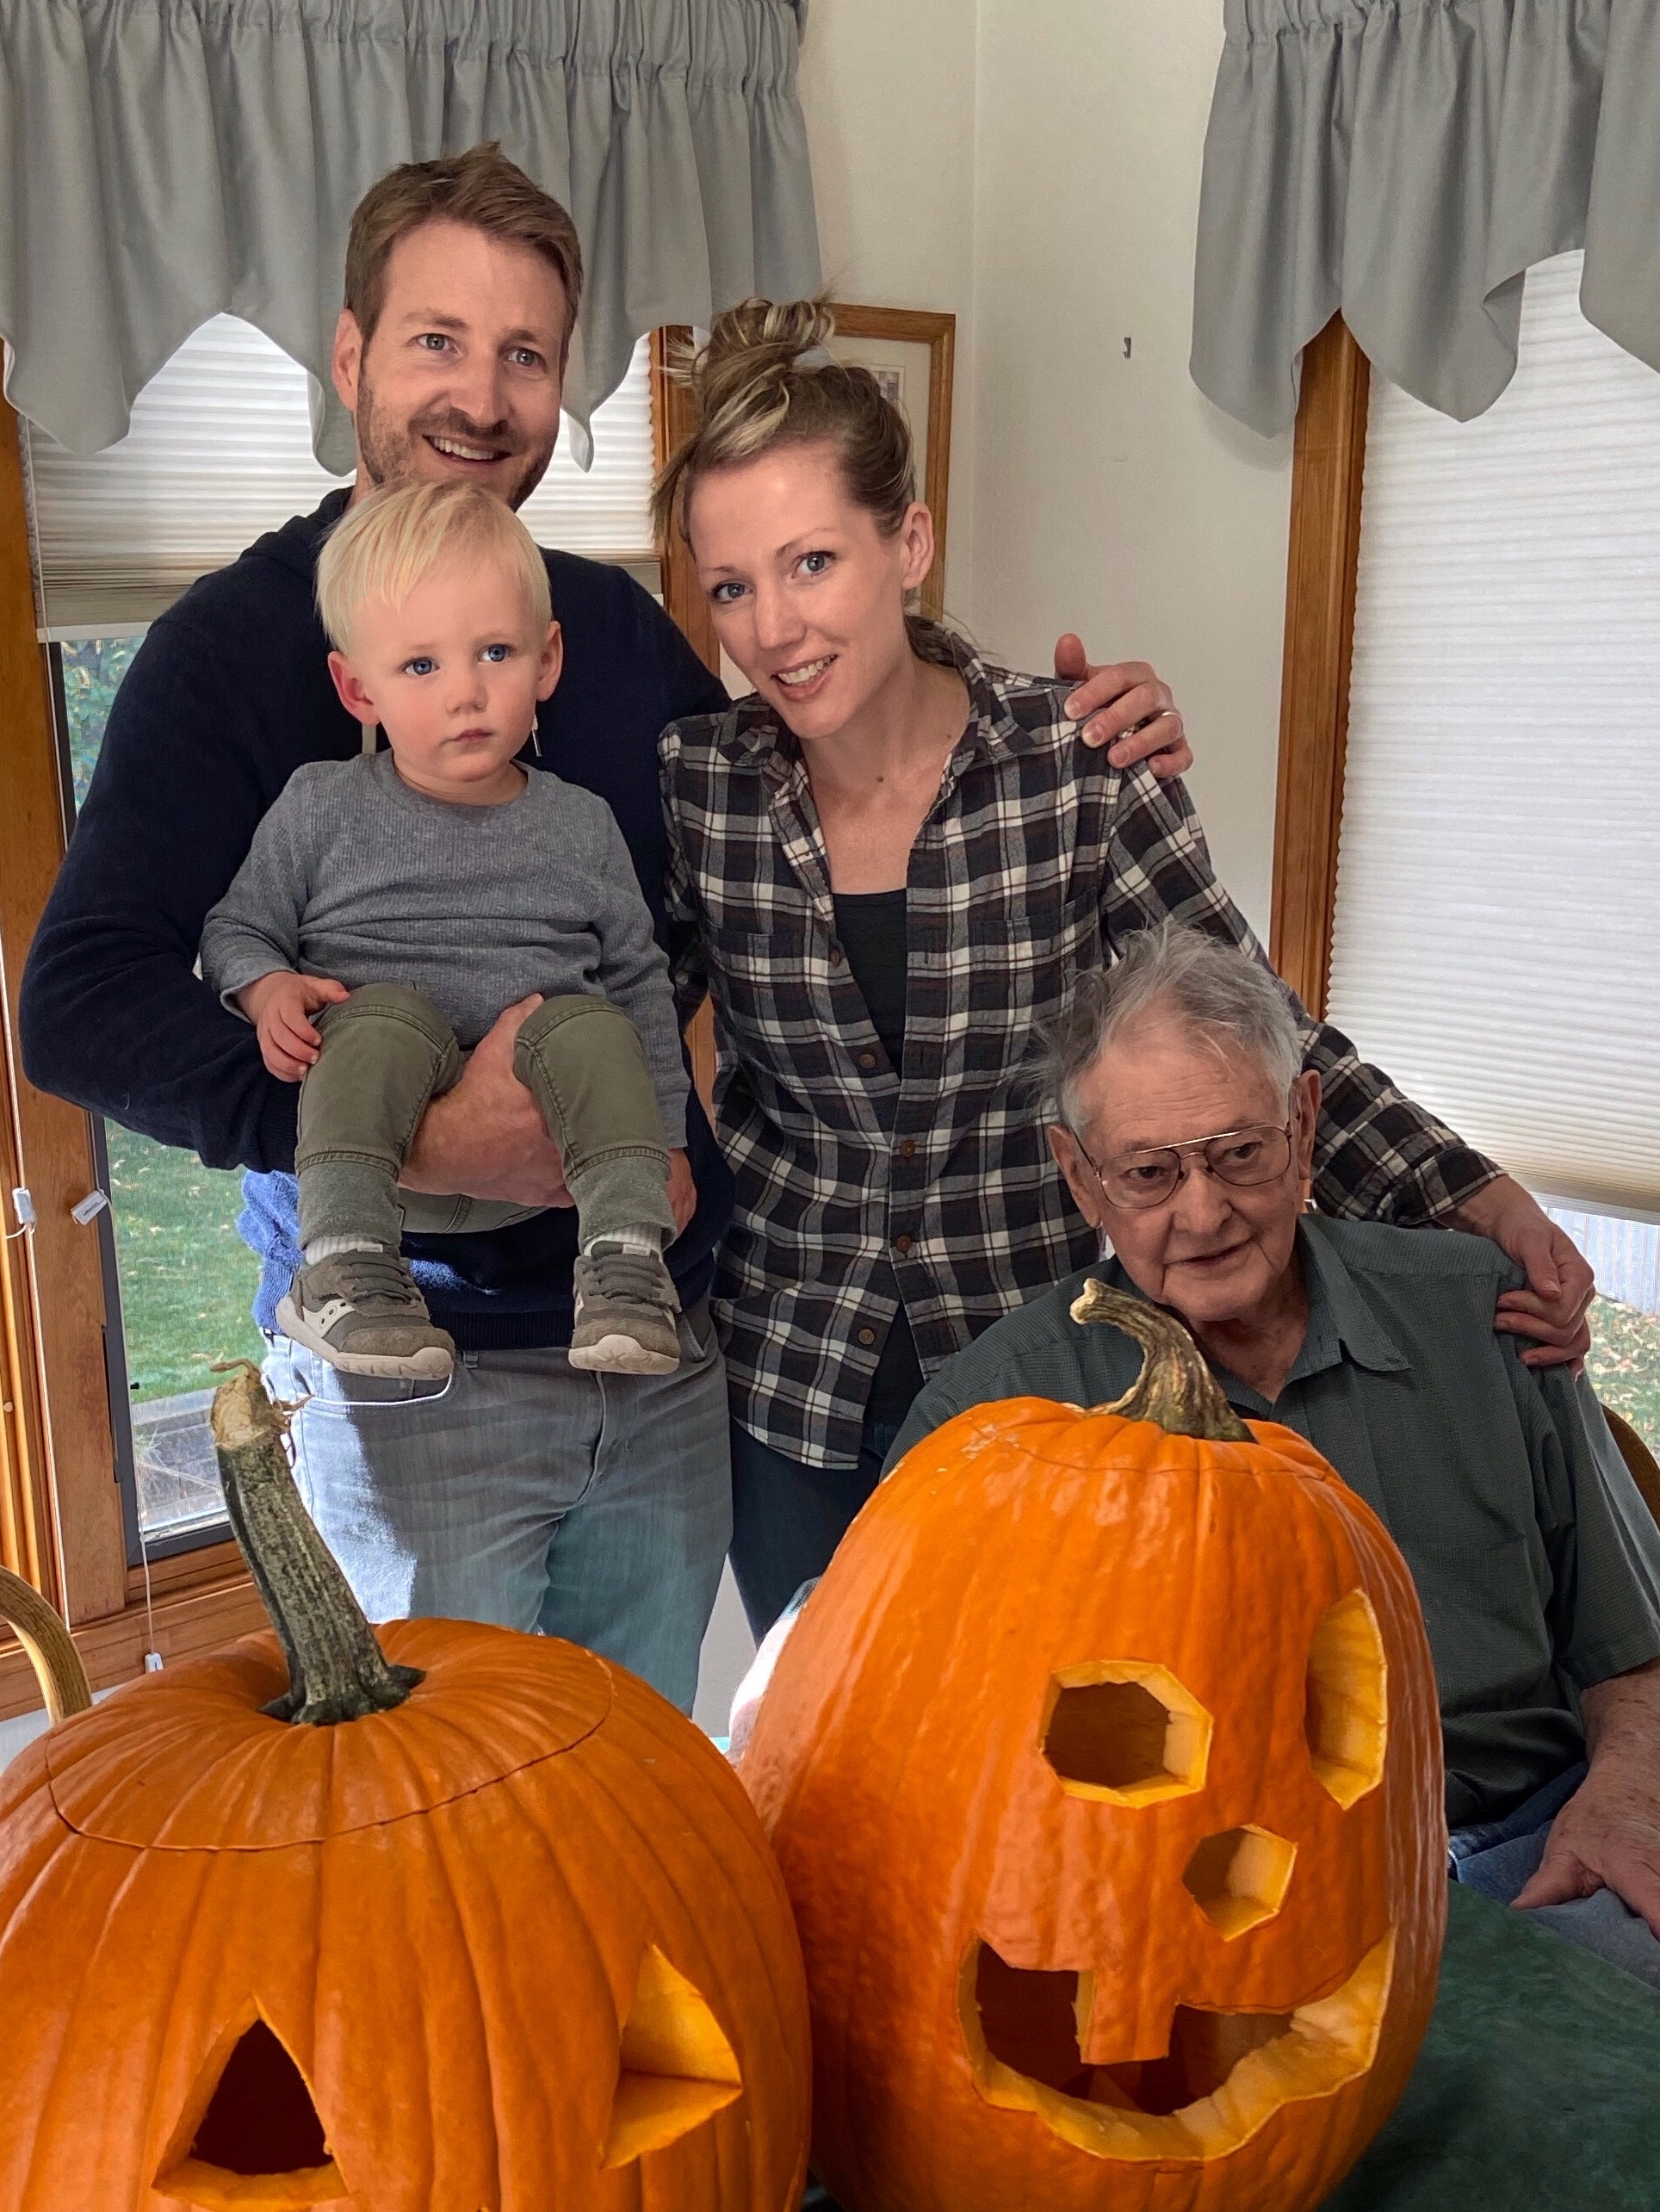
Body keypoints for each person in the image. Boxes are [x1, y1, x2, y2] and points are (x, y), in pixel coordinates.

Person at [18, 147, 1188, 1708]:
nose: (479, 396)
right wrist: (418, 1136)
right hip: (410, 1382)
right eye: (436, 341)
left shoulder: (616, 635)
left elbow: (805, 775)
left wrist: (1056, 723)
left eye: (524, 355)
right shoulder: (231, 651)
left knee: (634, 1795)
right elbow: (80, 1003)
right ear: (353, 353)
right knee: (442, 1838)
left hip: (664, 1353)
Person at [655, 298, 1596, 1643]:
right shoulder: (701, 788)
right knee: (832, 1762)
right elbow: (619, 1003)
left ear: (908, 540)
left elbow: (1253, 1032)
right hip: (789, 1388)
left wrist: (1476, 1192)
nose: (774, 627)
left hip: (1048, 1372)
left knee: (1050, 1776)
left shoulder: (1079, 763)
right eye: (733, 585)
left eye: (812, 562)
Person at [882, 923, 1660, 1988]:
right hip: (1179, 1902)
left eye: (1237, 1154)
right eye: (1149, 1172)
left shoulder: (1482, 1313)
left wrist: (1622, 1795)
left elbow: (1630, 1642)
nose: (1201, 1213)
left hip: (1523, 1852)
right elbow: (899, 1729)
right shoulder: (985, 1418)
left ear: (1301, 1124)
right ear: (1079, 1176)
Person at [201, 480, 687, 1384]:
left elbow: (641, 978)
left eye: (494, 652)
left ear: (546, 661)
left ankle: (625, 1263)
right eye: (420, 667)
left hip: (545, 1177)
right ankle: (342, 1272)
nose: (465, 693)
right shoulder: (320, 805)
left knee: (595, 1023)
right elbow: (238, 928)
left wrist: (665, 1144)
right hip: (386, 1156)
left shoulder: (581, 823)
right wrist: (266, 987)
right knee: (377, 1018)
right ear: (358, 687)